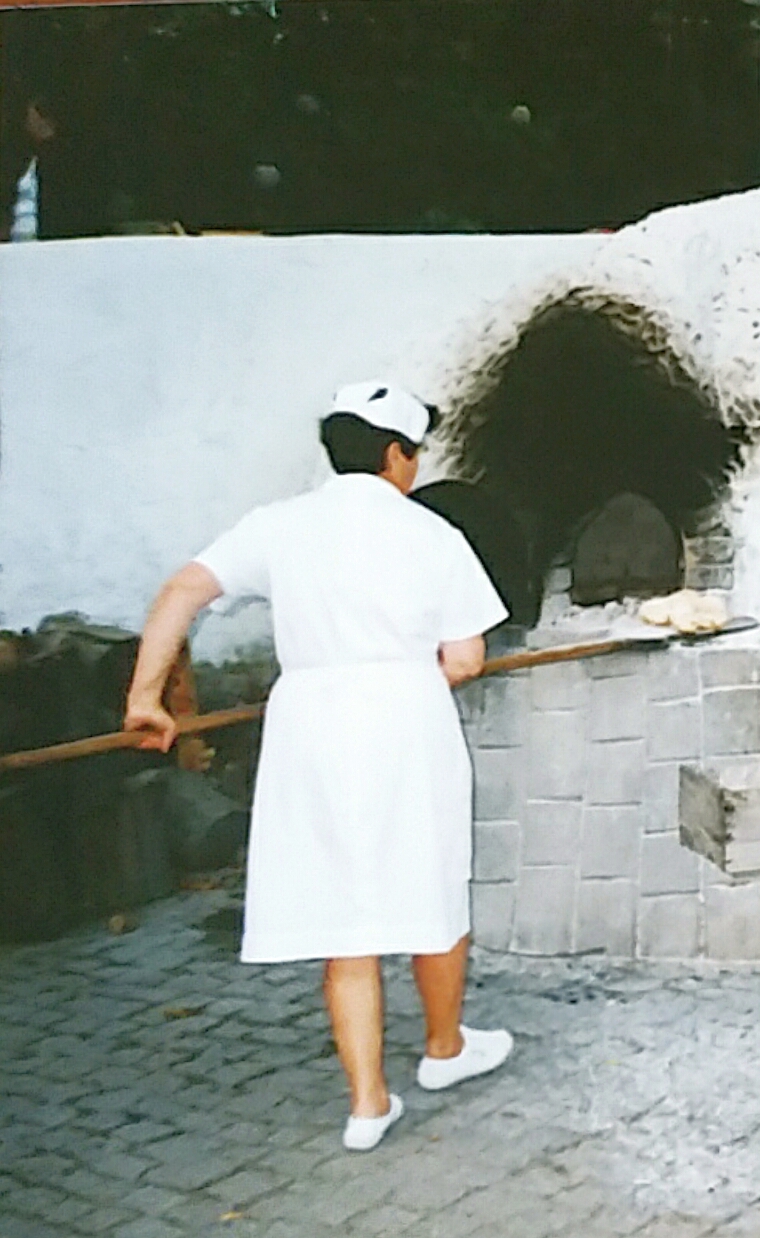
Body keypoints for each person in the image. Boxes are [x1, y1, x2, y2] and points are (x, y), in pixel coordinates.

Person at [125, 381, 514, 1151]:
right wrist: (404, 677)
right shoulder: (431, 533)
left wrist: (145, 696)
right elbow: (467, 656)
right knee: (429, 878)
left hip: (309, 721)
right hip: (405, 719)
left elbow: (184, 589)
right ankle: (444, 1049)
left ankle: (368, 1102)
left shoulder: (280, 525)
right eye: (414, 452)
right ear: (397, 454)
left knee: (348, 909)